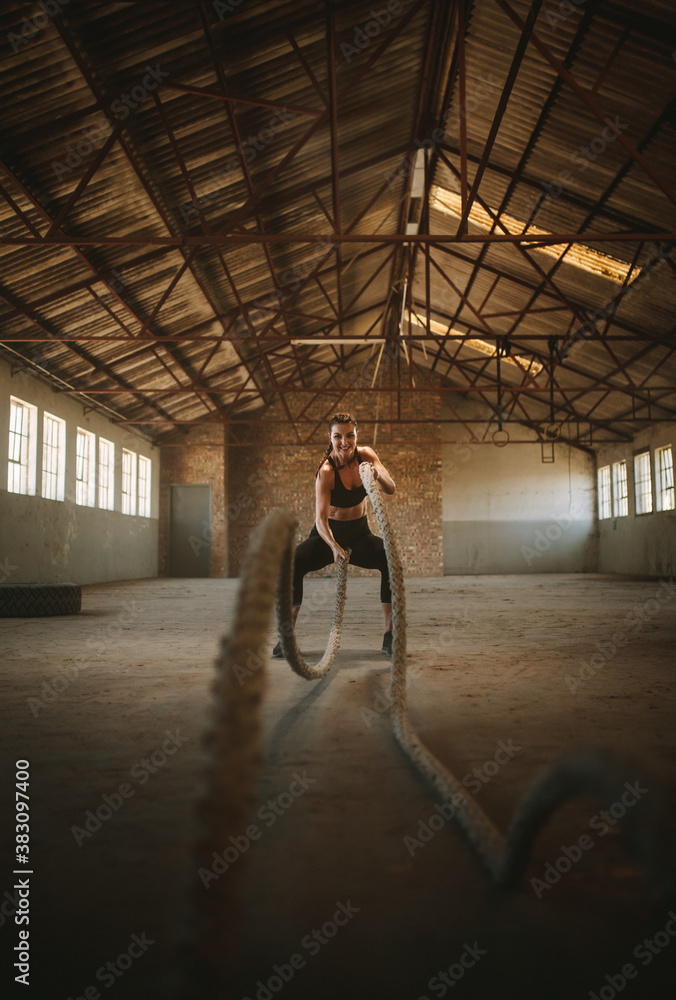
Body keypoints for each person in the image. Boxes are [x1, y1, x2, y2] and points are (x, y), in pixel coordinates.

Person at [273, 412, 397, 658]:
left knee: (388, 558)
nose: (345, 442)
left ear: (356, 435)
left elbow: (391, 488)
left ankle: (390, 634)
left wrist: (376, 474)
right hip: (327, 534)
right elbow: (320, 520)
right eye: (338, 436)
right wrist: (333, 546)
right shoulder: (326, 471)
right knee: (294, 562)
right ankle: (285, 638)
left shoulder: (367, 455)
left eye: (350, 435)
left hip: (359, 534)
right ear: (330, 438)